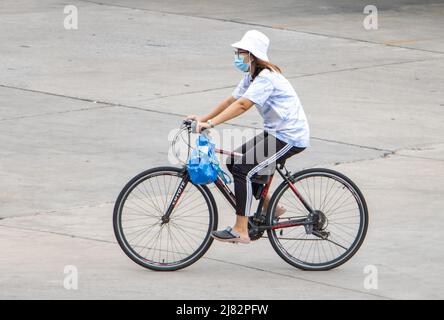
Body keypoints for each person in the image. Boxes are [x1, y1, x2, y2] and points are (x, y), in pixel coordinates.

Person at [186, 30, 310, 244]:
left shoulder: (266, 78)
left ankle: (241, 230)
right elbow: (231, 100)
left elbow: (243, 105)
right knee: (234, 161)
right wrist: (203, 118)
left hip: (290, 136)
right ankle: (271, 206)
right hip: (276, 132)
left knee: (244, 169)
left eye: (239, 53)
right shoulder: (251, 76)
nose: (236, 57)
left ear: (252, 55)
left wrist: (211, 124)